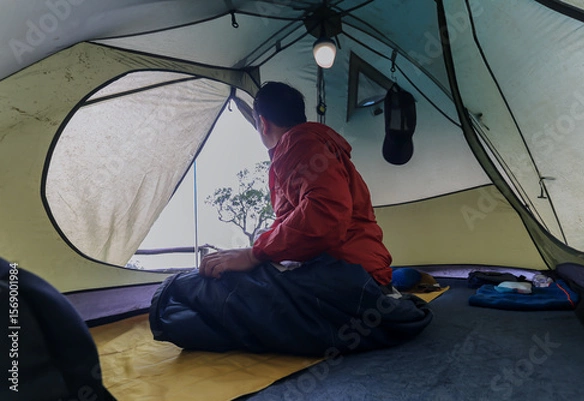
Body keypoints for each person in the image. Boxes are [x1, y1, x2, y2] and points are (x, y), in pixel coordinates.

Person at [149, 82, 432, 356]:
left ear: (263, 123)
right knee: (225, 297)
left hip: (346, 278)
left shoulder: (298, 143)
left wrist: (255, 253)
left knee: (180, 291)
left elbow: (326, 215)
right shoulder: (318, 147)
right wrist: (262, 251)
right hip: (359, 275)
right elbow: (300, 222)